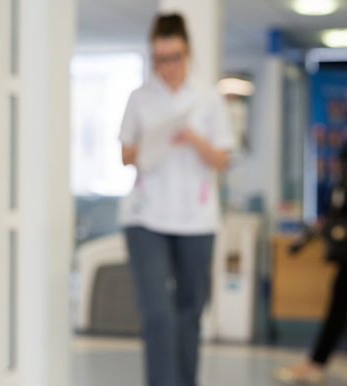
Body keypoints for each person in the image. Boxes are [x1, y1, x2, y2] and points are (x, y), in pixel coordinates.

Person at [117, 13, 233, 386]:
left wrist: (194, 138)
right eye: (160, 58)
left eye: (175, 56)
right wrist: (157, 138)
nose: (168, 66)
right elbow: (126, 155)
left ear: (188, 53)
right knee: (158, 313)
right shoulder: (140, 98)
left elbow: (222, 159)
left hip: (196, 218)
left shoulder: (208, 99)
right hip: (145, 216)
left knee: (189, 312)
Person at [274, 146, 347, 385]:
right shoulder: (341, 184)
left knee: (338, 309)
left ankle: (316, 362)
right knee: (337, 308)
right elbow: (334, 214)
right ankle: (316, 362)